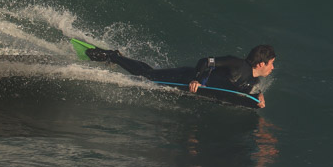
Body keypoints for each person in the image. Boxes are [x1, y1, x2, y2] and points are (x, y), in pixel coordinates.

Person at [86, 44, 276, 108]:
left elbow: (235, 94)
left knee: (149, 74)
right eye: (271, 63)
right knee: (147, 75)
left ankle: (118, 57)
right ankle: (113, 56)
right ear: (261, 63)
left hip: (192, 89)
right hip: (186, 77)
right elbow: (206, 61)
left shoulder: (254, 81)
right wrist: (197, 80)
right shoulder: (236, 63)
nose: (273, 68)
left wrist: (257, 98)